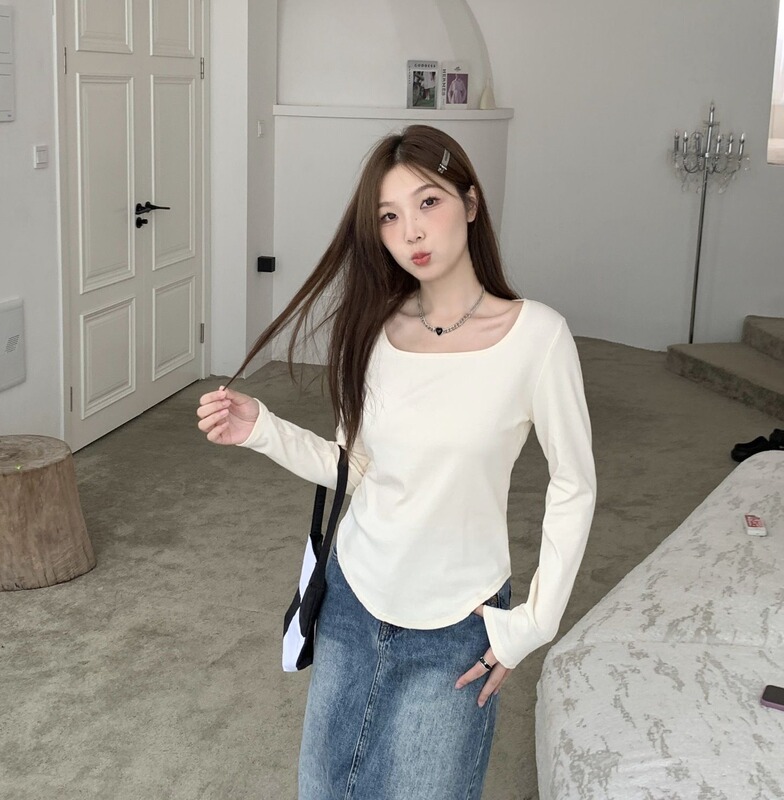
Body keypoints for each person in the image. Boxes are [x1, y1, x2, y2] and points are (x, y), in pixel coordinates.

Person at [197, 125, 596, 800]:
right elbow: (355, 468)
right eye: (388, 216)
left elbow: (574, 485)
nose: (411, 231)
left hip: (459, 626)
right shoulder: (375, 330)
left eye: (428, 202)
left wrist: (533, 623)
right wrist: (261, 429)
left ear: (471, 203)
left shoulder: (538, 338)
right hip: (353, 601)